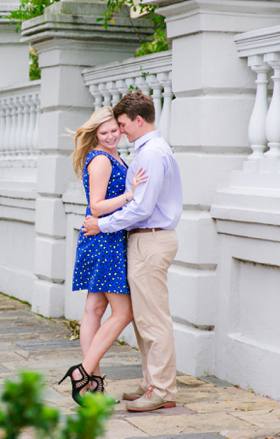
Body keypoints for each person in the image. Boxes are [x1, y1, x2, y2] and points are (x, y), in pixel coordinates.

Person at [82, 91, 183, 412]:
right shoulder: (145, 151)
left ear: (139, 120)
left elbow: (141, 207)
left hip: (150, 238)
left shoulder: (151, 153)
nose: (120, 130)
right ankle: (151, 382)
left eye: (123, 124)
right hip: (143, 239)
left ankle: (163, 390)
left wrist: (103, 225)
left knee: (153, 320)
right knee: (144, 319)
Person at [58, 106, 147, 404]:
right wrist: (129, 195)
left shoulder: (111, 156)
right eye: (104, 132)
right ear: (95, 133)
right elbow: (96, 206)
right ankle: (83, 372)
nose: (110, 136)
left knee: (94, 310)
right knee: (123, 312)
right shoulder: (100, 160)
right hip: (103, 240)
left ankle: (90, 385)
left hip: (103, 236)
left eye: (114, 131)